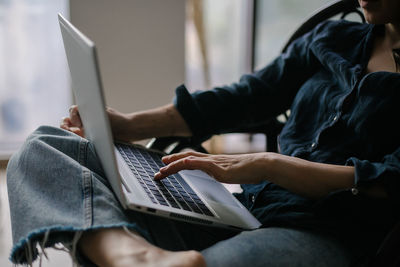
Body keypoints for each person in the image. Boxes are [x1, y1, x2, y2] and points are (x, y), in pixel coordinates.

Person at [6, 0, 400, 266]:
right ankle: (132, 255)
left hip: (329, 232)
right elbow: (246, 97)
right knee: (47, 147)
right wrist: (130, 125)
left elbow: (390, 182)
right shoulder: (335, 38)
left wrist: (269, 165)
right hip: (246, 208)